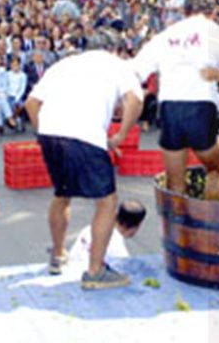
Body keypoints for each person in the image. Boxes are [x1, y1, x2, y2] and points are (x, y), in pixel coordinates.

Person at [24, 35, 142, 290]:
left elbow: (31, 103)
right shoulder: (117, 64)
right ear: (114, 49)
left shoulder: (62, 65)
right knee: (107, 202)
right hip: (85, 134)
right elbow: (136, 100)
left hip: (51, 132)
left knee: (62, 194)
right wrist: (120, 135)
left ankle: (57, 256)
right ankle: (95, 271)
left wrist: (41, 132)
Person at [132, 0, 219, 197]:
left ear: (184, 12)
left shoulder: (164, 36)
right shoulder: (217, 33)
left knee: (175, 184)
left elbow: (137, 70)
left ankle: (177, 228)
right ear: (213, 13)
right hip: (200, 105)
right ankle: (210, 224)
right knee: (216, 171)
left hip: (170, 109)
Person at [66, 200, 146, 271]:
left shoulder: (90, 228)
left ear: (116, 215)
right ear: (138, 226)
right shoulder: (118, 248)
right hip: (88, 279)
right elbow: (124, 271)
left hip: (69, 272)